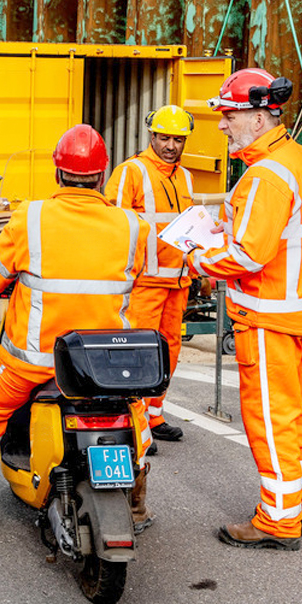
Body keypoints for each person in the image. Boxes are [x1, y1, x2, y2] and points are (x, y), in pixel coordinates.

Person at [0, 124, 153, 531]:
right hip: (105, 365)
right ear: (102, 176)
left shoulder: (30, 218)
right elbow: (137, 277)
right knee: (134, 416)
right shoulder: (132, 225)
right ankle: (137, 507)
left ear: (57, 174)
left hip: (33, 363)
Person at [188, 68, 302, 551]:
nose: (222, 125)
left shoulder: (265, 176)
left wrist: (198, 254)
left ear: (259, 118)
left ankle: (277, 522)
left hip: (267, 316)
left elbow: (247, 256)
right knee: (297, 416)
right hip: (294, 309)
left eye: (230, 116)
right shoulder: (295, 159)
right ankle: (294, 503)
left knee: (272, 419)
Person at [105, 106, 195, 450]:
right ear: (151, 136)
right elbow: (114, 227)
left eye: (178, 139)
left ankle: (154, 414)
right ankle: (136, 422)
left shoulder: (185, 178)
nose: (171, 145)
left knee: (168, 352)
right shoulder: (132, 172)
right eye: (165, 137)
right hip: (143, 283)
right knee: (137, 354)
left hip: (177, 282)